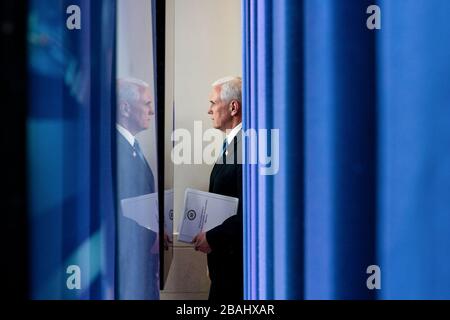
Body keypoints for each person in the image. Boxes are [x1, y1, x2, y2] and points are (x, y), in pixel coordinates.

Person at [193, 76, 243, 300]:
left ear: (233, 107)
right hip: (225, 267)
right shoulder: (234, 144)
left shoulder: (249, 144)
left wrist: (214, 238)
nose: (209, 110)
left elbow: (252, 210)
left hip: (237, 273)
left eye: (213, 103)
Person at [116, 78, 159, 300]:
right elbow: (114, 212)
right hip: (128, 269)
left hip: (140, 265)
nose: (151, 112)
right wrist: (150, 237)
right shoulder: (113, 149)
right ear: (125, 108)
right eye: (147, 104)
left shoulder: (131, 146)